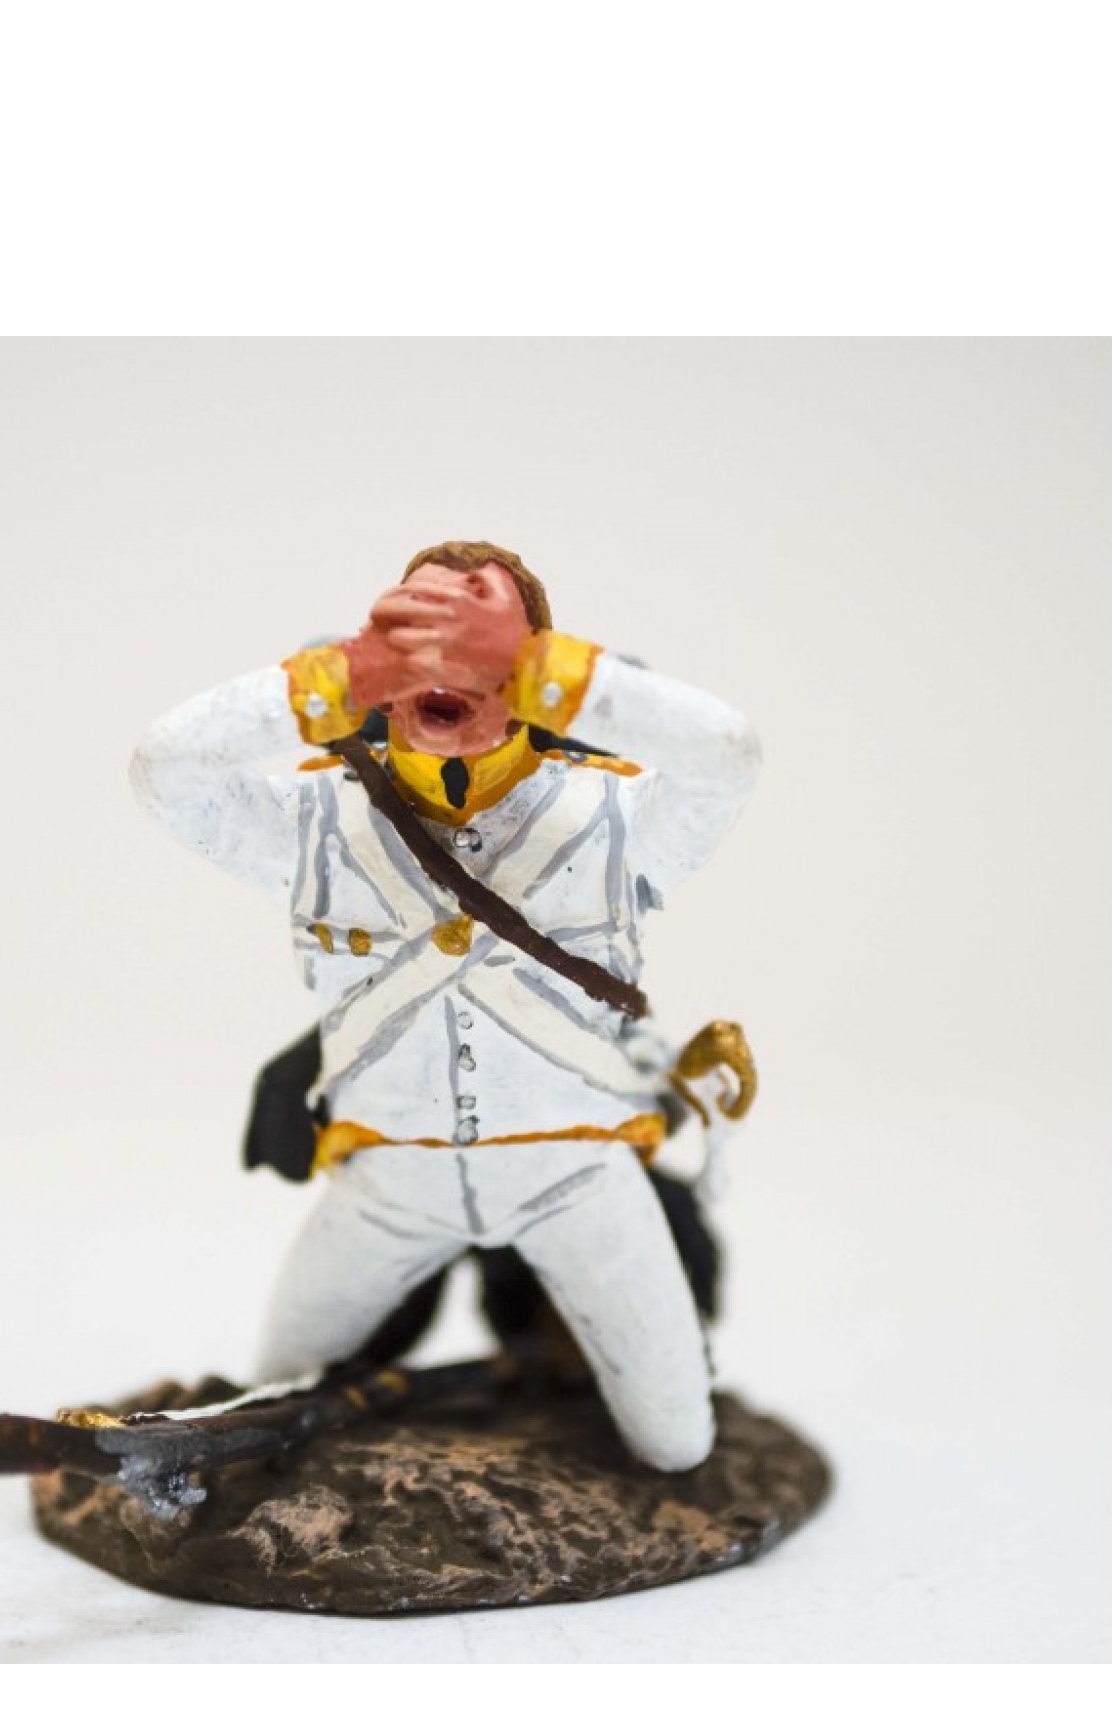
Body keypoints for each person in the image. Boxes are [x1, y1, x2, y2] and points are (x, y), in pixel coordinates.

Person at [129, 541, 759, 1471]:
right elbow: (164, 770)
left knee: (676, 1445)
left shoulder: (615, 817)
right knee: (273, 1407)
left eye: (471, 641)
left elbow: (727, 756)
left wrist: (545, 670)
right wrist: (335, 678)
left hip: (576, 1176)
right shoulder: (314, 821)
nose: (443, 668)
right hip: (392, 1181)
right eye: (415, 637)